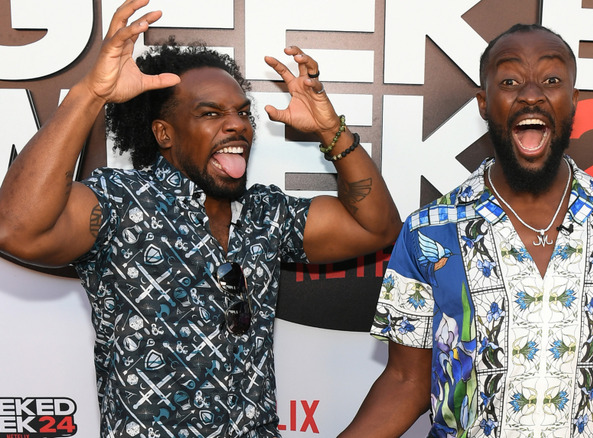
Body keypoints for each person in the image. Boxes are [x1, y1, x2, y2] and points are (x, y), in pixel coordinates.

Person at [0, 0, 400, 437]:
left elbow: (375, 227)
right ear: (164, 134)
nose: (238, 126)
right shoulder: (120, 202)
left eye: (242, 113)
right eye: (210, 113)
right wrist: (90, 94)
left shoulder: (267, 213)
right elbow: (17, 229)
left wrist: (330, 128)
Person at [339, 23, 593, 438]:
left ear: (573, 102)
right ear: (484, 103)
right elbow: (406, 381)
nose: (531, 93)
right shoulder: (430, 230)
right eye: (510, 80)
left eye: (551, 80)